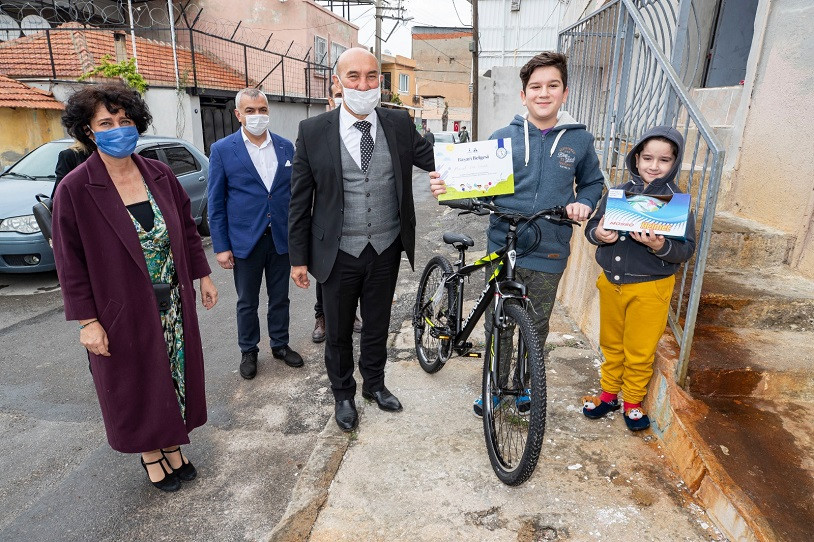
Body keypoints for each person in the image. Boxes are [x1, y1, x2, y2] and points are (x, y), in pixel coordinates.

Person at [52, 83, 218, 492]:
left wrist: (203, 276)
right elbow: (69, 263)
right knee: (138, 381)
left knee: (174, 373)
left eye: (125, 121)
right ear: (89, 132)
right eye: (106, 123)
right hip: (120, 306)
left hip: (173, 302)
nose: (118, 129)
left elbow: (188, 231)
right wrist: (87, 321)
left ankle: (173, 442)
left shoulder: (159, 174)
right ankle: (150, 453)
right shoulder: (75, 188)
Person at [429, 51, 605, 417]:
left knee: (536, 324)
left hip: (551, 246)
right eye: (535, 87)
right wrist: (450, 187)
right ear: (523, 95)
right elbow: (479, 185)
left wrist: (584, 203)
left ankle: (524, 385)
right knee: (501, 323)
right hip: (504, 243)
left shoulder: (581, 141)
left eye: (552, 86)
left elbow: (592, 183)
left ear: (565, 92)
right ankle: (494, 387)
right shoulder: (502, 137)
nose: (544, 93)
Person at [289, 47, 435, 432]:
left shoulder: (399, 123)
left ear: (380, 81)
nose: (363, 84)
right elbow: (299, 200)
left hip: (386, 247)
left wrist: (489, 167)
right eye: (353, 77)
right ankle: (343, 394)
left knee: (377, 324)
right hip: (337, 252)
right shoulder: (312, 132)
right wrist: (298, 258)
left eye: (371, 76)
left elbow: (437, 160)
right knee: (337, 331)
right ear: (338, 82)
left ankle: (374, 384)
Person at [581, 126, 696, 431]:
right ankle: (608, 394)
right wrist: (599, 235)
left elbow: (686, 248)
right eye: (647, 157)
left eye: (664, 160)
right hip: (612, 283)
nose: (654, 165)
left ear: (675, 163)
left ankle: (632, 401)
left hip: (650, 287)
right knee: (611, 344)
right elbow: (593, 226)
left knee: (640, 349)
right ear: (636, 157)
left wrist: (660, 245)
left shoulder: (676, 203)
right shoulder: (617, 193)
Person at [207, 88, 303, 379]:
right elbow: (216, 201)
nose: (257, 116)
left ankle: (280, 344)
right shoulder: (223, 149)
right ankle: (249, 351)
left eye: (262, 110)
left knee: (280, 297)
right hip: (244, 240)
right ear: (238, 115)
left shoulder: (286, 147)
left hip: (279, 238)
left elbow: (293, 195)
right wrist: (221, 246)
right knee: (247, 301)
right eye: (250, 111)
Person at [314, 83, 363, 343]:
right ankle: (321, 318)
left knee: (349, 288)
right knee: (325, 283)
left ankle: (350, 315)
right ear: (331, 100)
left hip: (364, 236)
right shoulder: (315, 131)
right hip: (328, 229)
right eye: (340, 95)